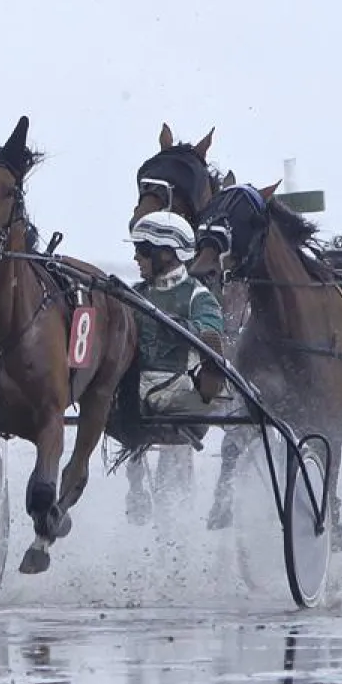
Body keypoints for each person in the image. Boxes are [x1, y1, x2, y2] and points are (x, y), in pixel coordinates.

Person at [123, 211, 228, 524]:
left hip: (178, 390)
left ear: (167, 253)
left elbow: (210, 330)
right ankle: (136, 484)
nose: (136, 257)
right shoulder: (134, 294)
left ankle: (175, 515)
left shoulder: (198, 296)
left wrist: (180, 325)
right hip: (133, 389)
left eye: (143, 250)